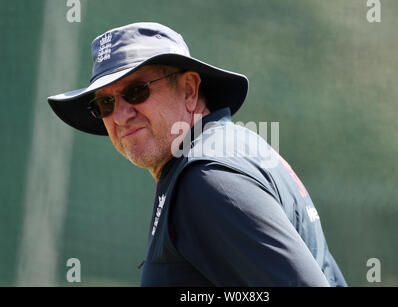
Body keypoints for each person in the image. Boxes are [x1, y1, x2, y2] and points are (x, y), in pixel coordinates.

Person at [48, 22, 347, 287]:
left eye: (137, 91)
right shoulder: (224, 152)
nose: (121, 115)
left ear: (190, 90)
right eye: (105, 104)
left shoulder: (207, 179)